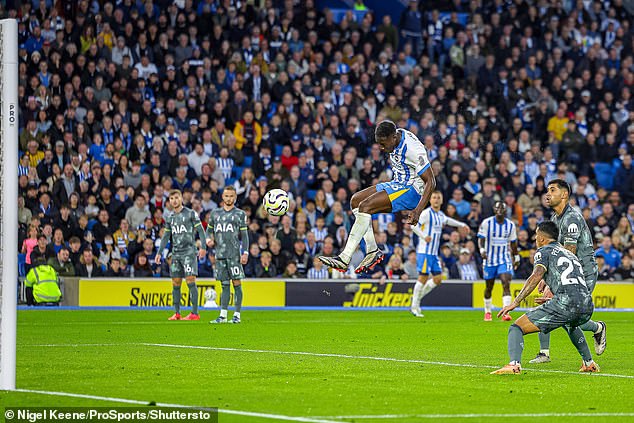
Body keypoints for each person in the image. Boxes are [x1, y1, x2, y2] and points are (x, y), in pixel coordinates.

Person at [319, 120, 435, 273]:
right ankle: (372, 250)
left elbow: (431, 182)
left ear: (393, 137)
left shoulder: (412, 150)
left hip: (411, 191)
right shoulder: (395, 134)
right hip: (398, 183)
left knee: (365, 207)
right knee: (355, 201)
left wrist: (418, 211)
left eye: (383, 143)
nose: (381, 147)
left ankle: (344, 258)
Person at [491, 222, 599, 374]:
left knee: (516, 328)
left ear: (542, 238)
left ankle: (514, 364)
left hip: (565, 302)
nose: (535, 239)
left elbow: (535, 276)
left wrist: (515, 302)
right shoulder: (568, 253)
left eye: (536, 235)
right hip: (587, 304)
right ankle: (589, 362)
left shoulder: (543, 251)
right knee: (570, 324)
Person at [529, 179, 606, 364]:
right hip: (567, 272)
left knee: (568, 315)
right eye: (547, 190)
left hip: (583, 272)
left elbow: (569, 252)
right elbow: (555, 251)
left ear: (564, 195)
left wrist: (553, 281)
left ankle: (597, 330)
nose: (547, 194)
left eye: (552, 190)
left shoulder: (572, 218)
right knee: (558, 311)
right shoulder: (555, 220)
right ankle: (545, 352)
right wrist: (547, 277)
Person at [409, 190, 469, 317]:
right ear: (430, 200)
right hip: (424, 252)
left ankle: (416, 298)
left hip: (434, 253)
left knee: (437, 279)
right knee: (423, 277)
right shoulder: (426, 214)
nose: (436, 200)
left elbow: (448, 221)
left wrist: (462, 224)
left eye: (438, 198)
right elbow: (413, 226)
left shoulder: (440, 215)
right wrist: (424, 235)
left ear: (441, 201)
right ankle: (414, 306)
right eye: (434, 197)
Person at [155, 189, 207, 321]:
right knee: (176, 282)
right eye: (171, 198)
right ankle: (177, 313)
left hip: (189, 252)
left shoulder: (190, 214)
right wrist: (159, 252)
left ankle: (194, 313)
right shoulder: (170, 218)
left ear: (181, 199)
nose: (174, 200)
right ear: (169, 201)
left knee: (190, 281)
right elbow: (166, 236)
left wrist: (203, 247)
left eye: (176, 198)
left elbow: (201, 230)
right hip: (176, 254)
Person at [207, 186, 249, 324]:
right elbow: (209, 231)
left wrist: (245, 252)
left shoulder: (240, 214)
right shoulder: (215, 213)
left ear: (235, 197)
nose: (229, 198)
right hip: (220, 255)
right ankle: (223, 315)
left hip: (234, 255)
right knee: (224, 285)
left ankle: (237, 315)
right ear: (222, 197)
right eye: (226, 196)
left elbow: (244, 235)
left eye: (231, 196)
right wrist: (208, 239)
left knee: (236, 283)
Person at [478, 201, 520, 322]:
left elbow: (513, 243)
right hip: (489, 259)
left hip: (504, 258)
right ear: (494, 209)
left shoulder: (510, 225)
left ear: (506, 210)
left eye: (502, 208)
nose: (500, 210)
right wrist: (481, 250)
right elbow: (480, 239)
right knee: (489, 287)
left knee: (506, 283)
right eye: (497, 208)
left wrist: (516, 257)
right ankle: (487, 311)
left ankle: (505, 312)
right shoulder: (487, 223)